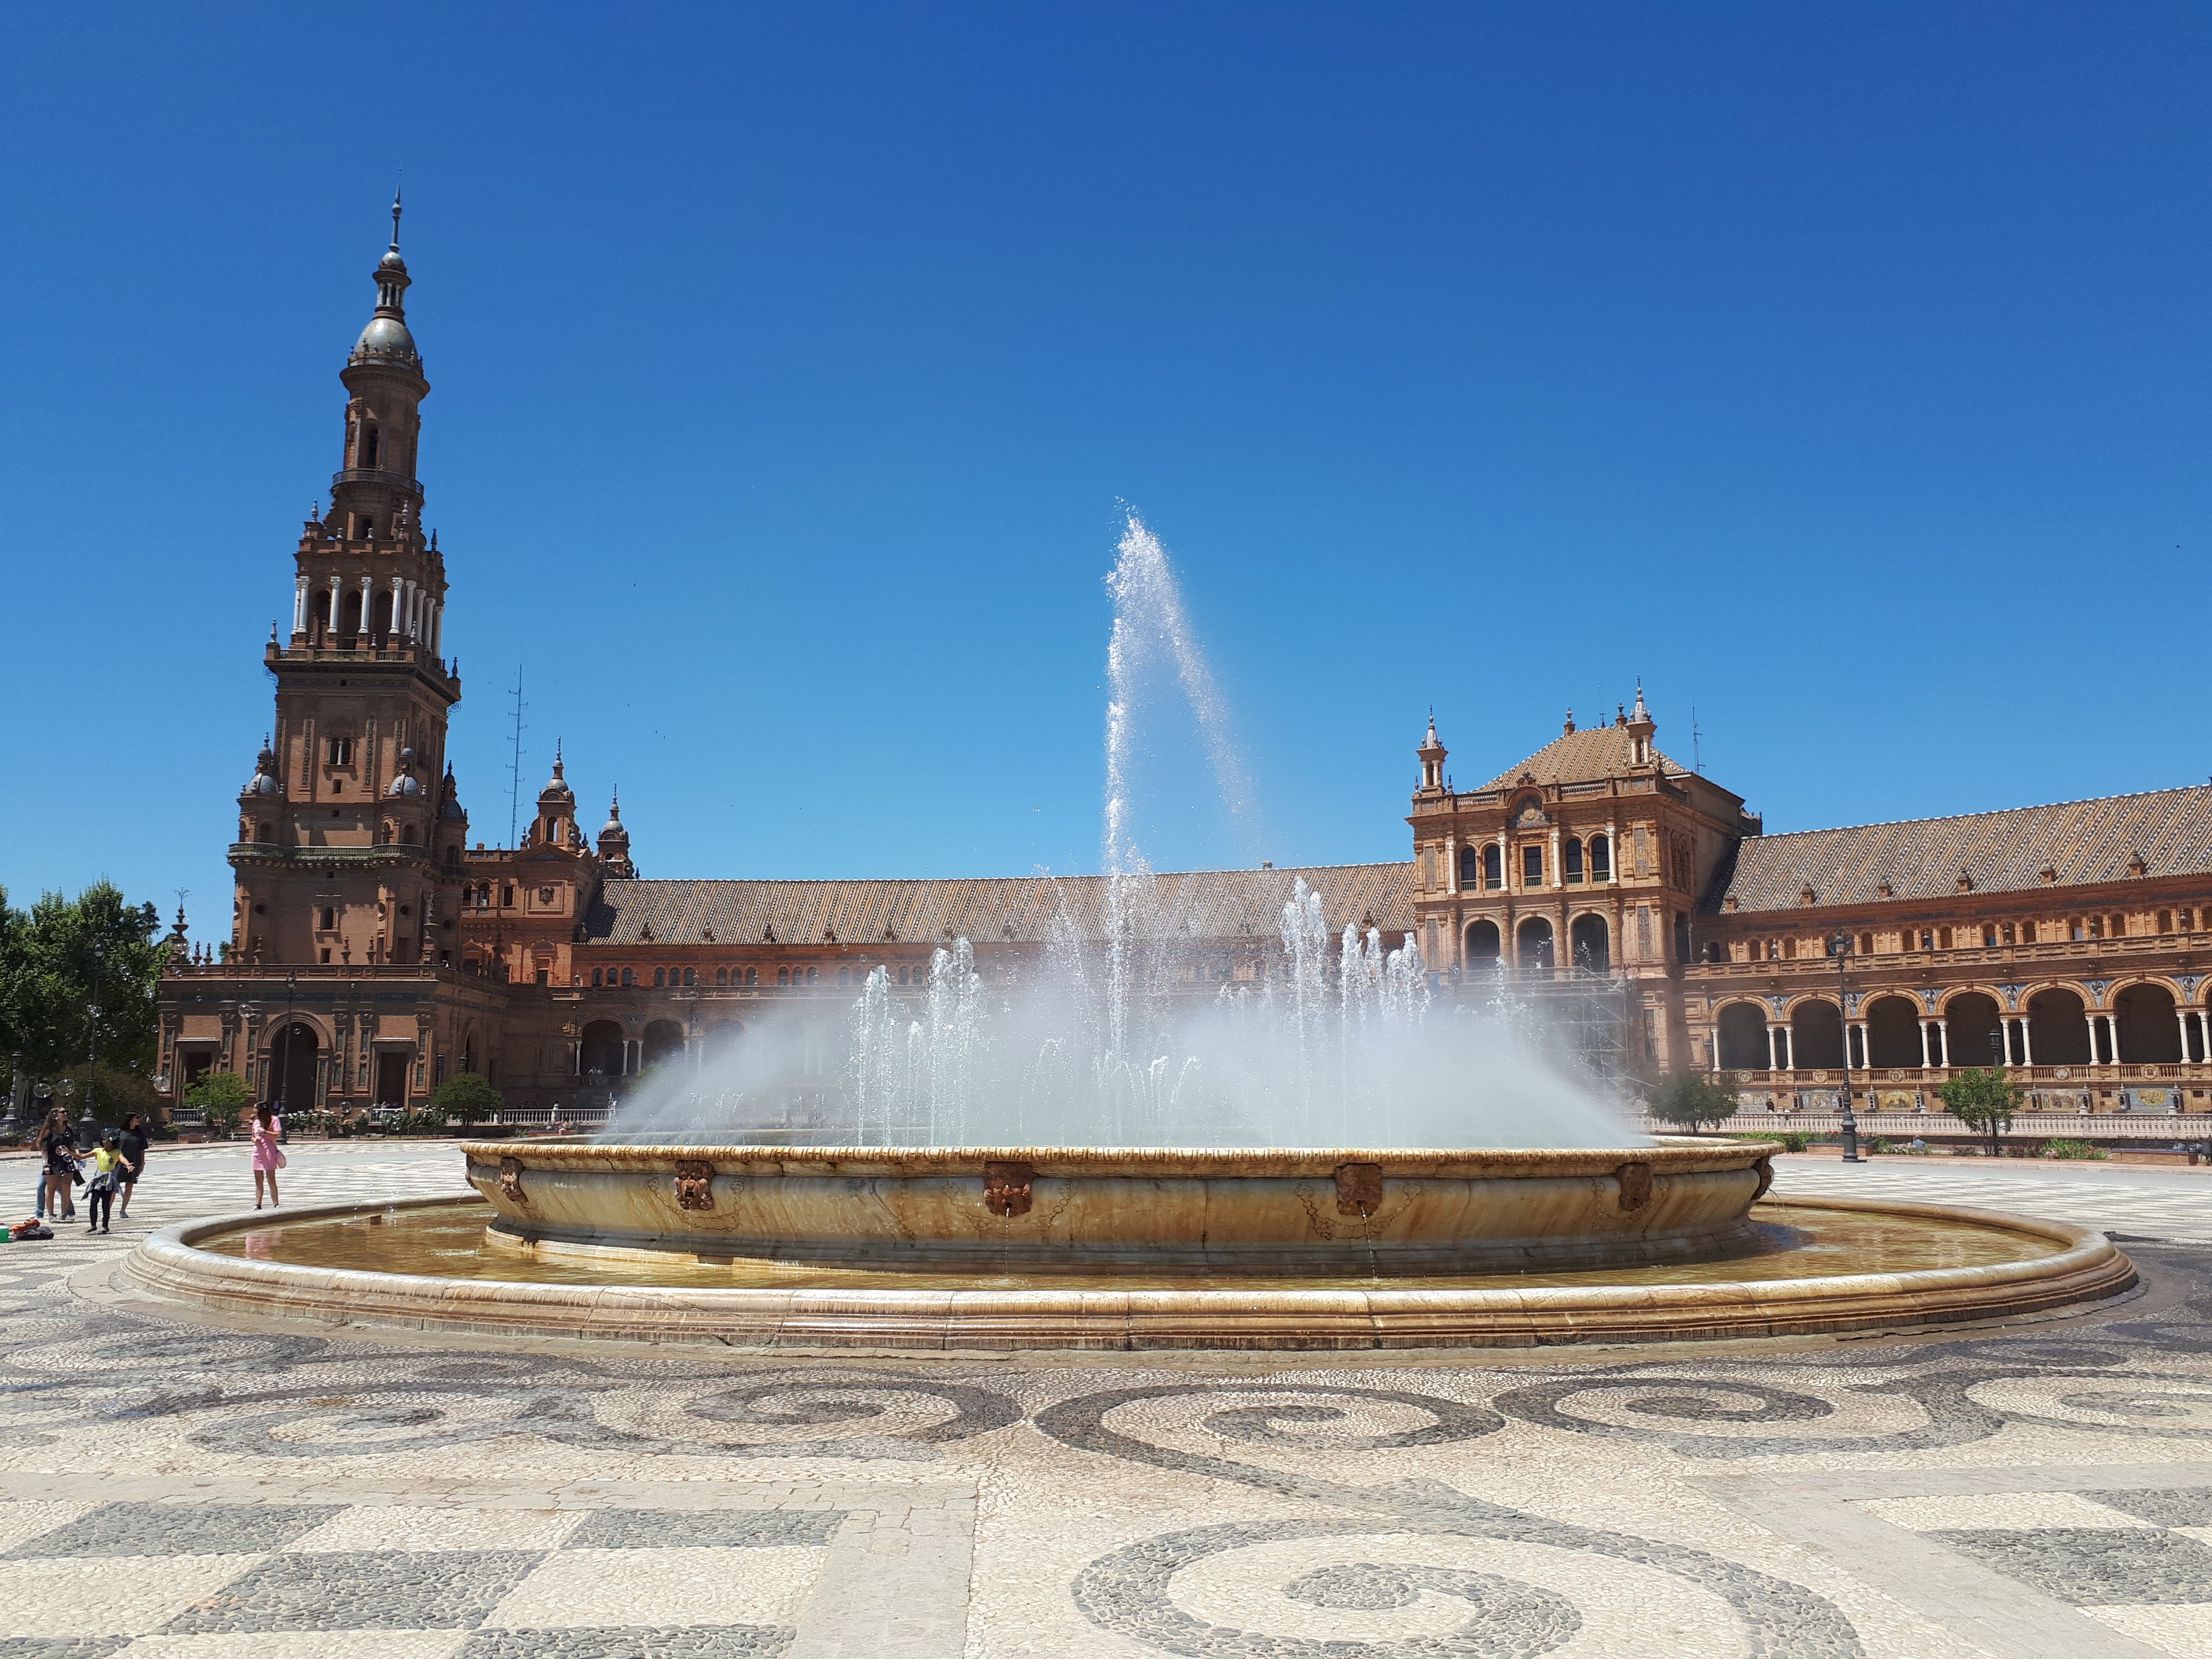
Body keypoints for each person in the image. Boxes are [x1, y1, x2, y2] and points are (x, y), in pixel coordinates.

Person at [34, 1106, 79, 1223]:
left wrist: (77, 1158)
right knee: (51, 1189)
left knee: (66, 1188)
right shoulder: (49, 1132)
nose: (65, 1114)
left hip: (67, 1162)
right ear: (56, 1116)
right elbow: (44, 1150)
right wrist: (45, 1165)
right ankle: (51, 1215)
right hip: (53, 1163)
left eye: (66, 1112)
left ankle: (64, 1214)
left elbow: (72, 1146)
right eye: (62, 1112)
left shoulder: (69, 1130)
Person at [85, 1133, 125, 1233]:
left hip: (109, 1182)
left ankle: (105, 1226)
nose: (105, 1142)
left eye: (108, 1141)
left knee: (105, 1204)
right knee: (93, 1202)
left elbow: (123, 1159)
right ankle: (93, 1225)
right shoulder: (98, 1151)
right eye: (104, 1140)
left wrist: (128, 1165)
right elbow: (81, 1157)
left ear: (113, 1143)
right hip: (98, 1181)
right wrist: (70, 1153)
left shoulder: (116, 1152)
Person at [250, 1103, 284, 1208]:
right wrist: (254, 1140)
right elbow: (252, 1137)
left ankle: (276, 1204)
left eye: (256, 1108)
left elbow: (278, 1134)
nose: (254, 1110)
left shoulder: (274, 1120)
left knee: (271, 1178)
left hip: (269, 1151)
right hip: (257, 1152)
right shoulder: (256, 1122)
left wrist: (265, 1132)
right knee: (258, 1179)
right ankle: (258, 1204)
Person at [115, 1113, 147, 1219]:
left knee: (129, 1186)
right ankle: (108, 1210)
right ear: (130, 1120)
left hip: (135, 1161)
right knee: (114, 1186)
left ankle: (123, 1210)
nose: (139, 1120)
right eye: (137, 1118)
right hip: (120, 1162)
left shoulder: (140, 1133)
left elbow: (142, 1149)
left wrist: (143, 1163)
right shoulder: (120, 1132)